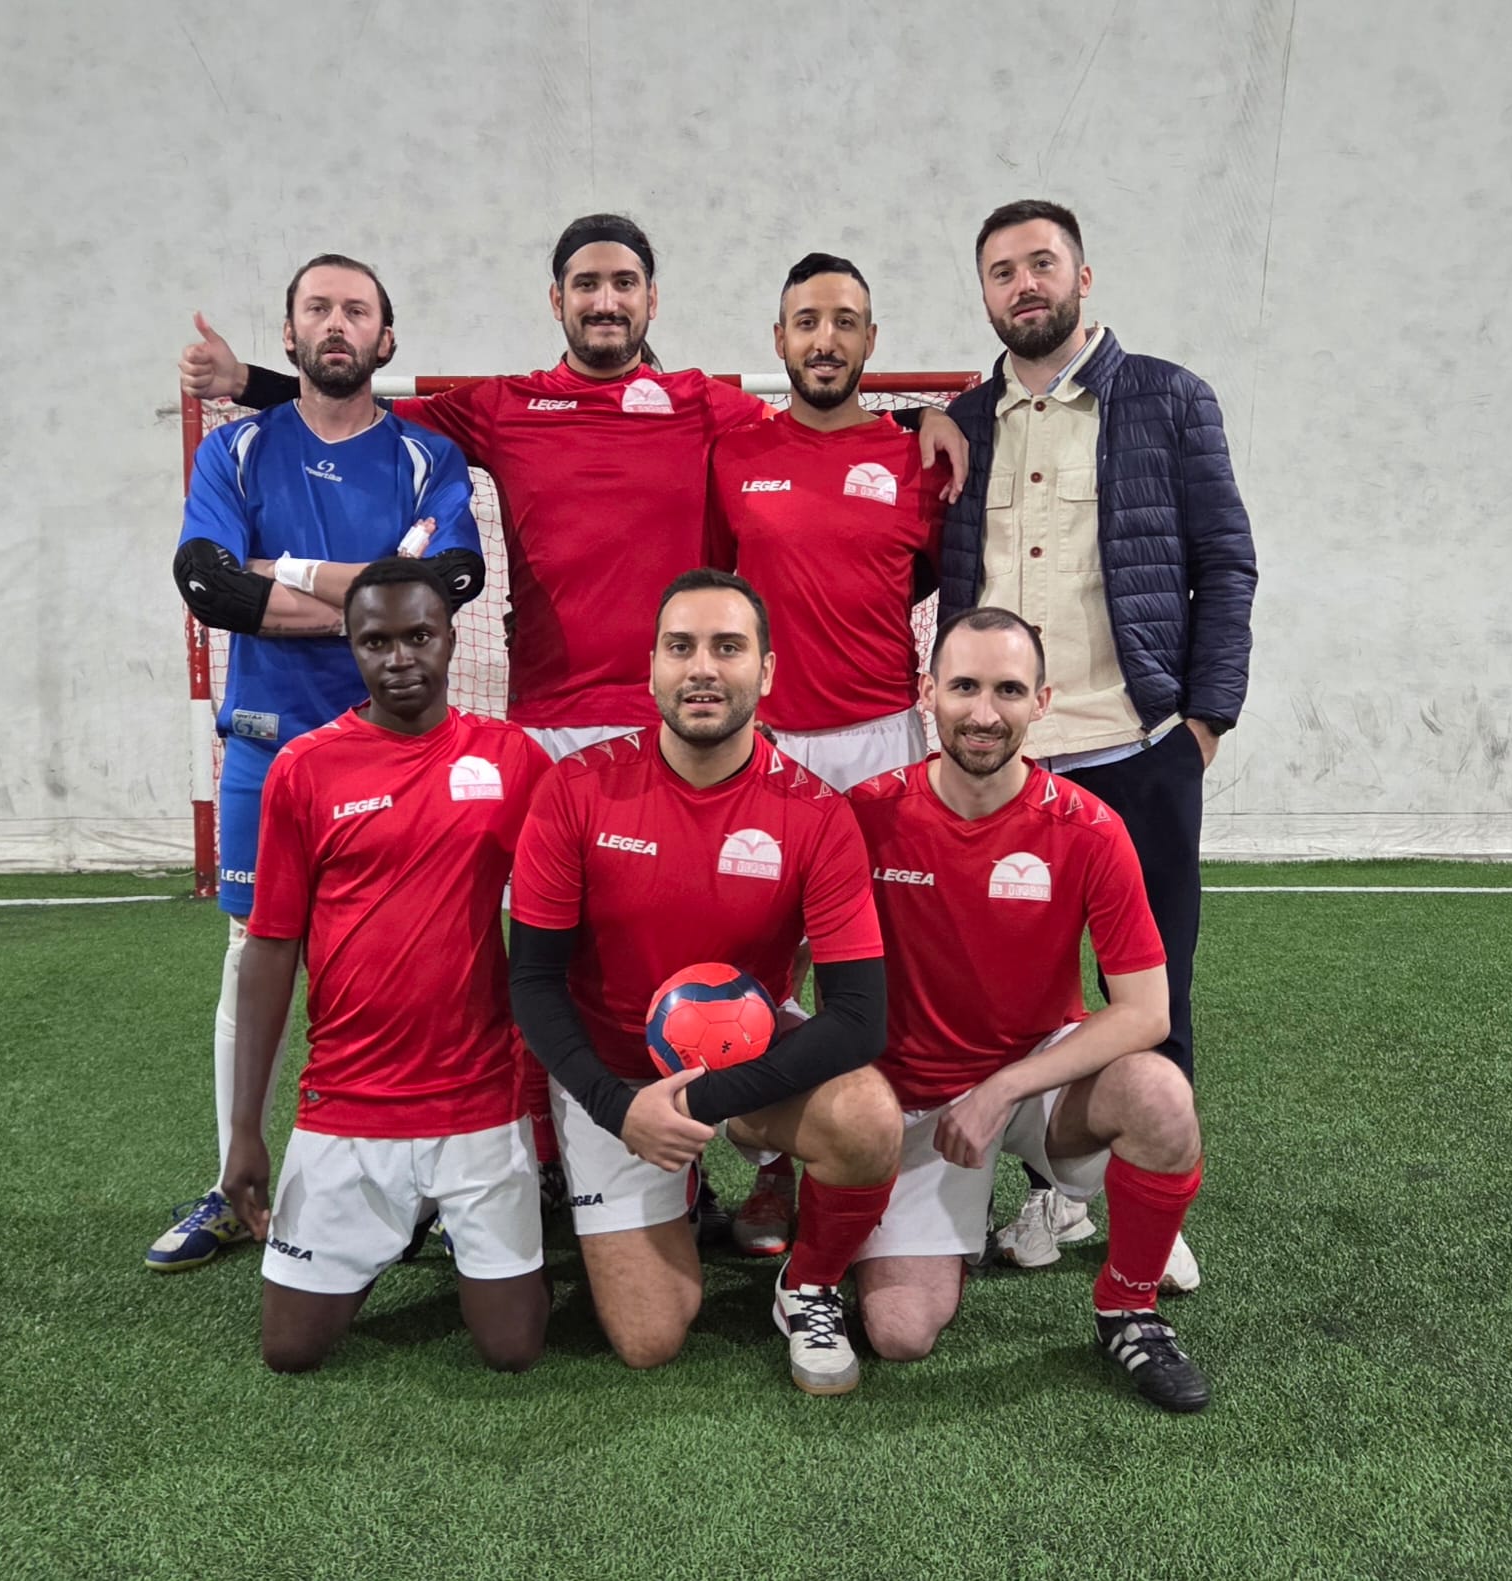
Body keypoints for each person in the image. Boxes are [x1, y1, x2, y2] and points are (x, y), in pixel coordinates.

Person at [183, 215, 964, 1227]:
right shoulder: (504, 406)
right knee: (539, 952)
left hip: (675, 725)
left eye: (624, 283)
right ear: (557, 300)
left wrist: (932, 420)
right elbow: (364, 401)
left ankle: (758, 1151)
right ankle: (540, 1155)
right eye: (586, 284)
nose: (606, 300)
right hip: (548, 726)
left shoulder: (702, 404)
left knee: (736, 942)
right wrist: (249, 381)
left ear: (651, 299)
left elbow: (819, 424)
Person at [935, 200, 1258, 1282]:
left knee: (1155, 990)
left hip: (1136, 746)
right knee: (1011, 1000)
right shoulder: (962, 421)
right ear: (984, 293)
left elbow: (1226, 563)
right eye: (1001, 271)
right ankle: (1052, 1197)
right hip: (999, 762)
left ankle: (1147, 1206)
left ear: (1082, 276)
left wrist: (1202, 719)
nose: (1022, 284)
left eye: (1041, 263)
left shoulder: (1169, 398)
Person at [150, 254, 483, 1273]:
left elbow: (445, 582)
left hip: (400, 753)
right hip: (267, 748)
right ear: (288, 334)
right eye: (318, 308)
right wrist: (374, 602)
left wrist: (284, 572)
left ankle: (431, 1184)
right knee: (253, 953)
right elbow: (208, 582)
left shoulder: (427, 459)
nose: (337, 324)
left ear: (387, 338)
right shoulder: (238, 448)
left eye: (357, 310)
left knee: (421, 958)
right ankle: (233, 1177)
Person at [507, 570, 901, 1396]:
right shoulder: (575, 789)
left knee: (868, 1116)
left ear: (767, 670)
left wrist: (695, 1103)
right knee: (649, 1336)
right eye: (680, 647)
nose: (702, 668)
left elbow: (860, 1017)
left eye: (728, 647)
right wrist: (618, 1109)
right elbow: (534, 982)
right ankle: (680, 1190)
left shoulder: (815, 812)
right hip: (614, 1079)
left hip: (744, 1068)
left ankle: (810, 1284)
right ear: (650, 666)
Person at [850, 607, 1210, 1412]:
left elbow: (1146, 1011)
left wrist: (1003, 1087)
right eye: (964, 687)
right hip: (913, 1097)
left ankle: (1128, 1307)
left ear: (1042, 701)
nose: (984, 712)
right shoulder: (867, 814)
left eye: (1008, 690)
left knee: (1160, 1093)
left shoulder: (1088, 827)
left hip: (1035, 1085)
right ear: (926, 692)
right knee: (901, 1332)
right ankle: (949, 1215)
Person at [221, 559, 550, 1372]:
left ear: (451, 638)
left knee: (512, 1348)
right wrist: (245, 1129)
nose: (400, 658)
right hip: (348, 1101)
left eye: (419, 635)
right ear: (351, 645)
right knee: (290, 1349)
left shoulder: (512, 759)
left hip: (479, 1100)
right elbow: (270, 948)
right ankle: (395, 1220)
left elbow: (565, 919)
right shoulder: (305, 768)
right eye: (376, 641)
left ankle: (439, 1214)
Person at [703, 250, 947, 1255]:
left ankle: (901, 1161)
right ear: (779, 339)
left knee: (891, 965)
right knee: (765, 966)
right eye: (806, 321)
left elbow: (930, 578)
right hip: (771, 750)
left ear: (870, 340)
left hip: (885, 741)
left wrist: (934, 419)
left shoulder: (915, 459)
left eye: (845, 321)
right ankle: (773, 1163)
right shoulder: (733, 454)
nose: (825, 339)